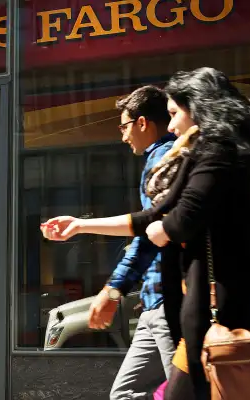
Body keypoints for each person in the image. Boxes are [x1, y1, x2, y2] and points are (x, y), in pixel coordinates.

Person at [41, 67, 250, 400]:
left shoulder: (213, 154)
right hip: (187, 306)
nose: (170, 126)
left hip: (220, 308)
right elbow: (150, 216)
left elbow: (176, 220)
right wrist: (80, 225)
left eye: (174, 114)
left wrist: (118, 283)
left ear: (197, 108)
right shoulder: (195, 155)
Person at [90, 85, 177, 399]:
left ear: (142, 123)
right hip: (154, 303)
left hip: (170, 301)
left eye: (124, 126)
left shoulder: (165, 158)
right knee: (124, 394)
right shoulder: (159, 158)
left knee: (187, 392)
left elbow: (149, 234)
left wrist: (113, 290)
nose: (123, 136)